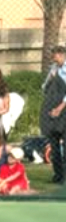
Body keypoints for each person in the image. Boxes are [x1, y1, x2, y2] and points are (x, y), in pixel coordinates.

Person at [41, 45, 66, 184]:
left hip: (63, 110)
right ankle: (58, 174)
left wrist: (60, 108)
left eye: (55, 55)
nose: (53, 58)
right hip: (52, 110)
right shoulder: (54, 68)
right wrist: (50, 78)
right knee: (54, 143)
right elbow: (45, 88)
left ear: (61, 54)